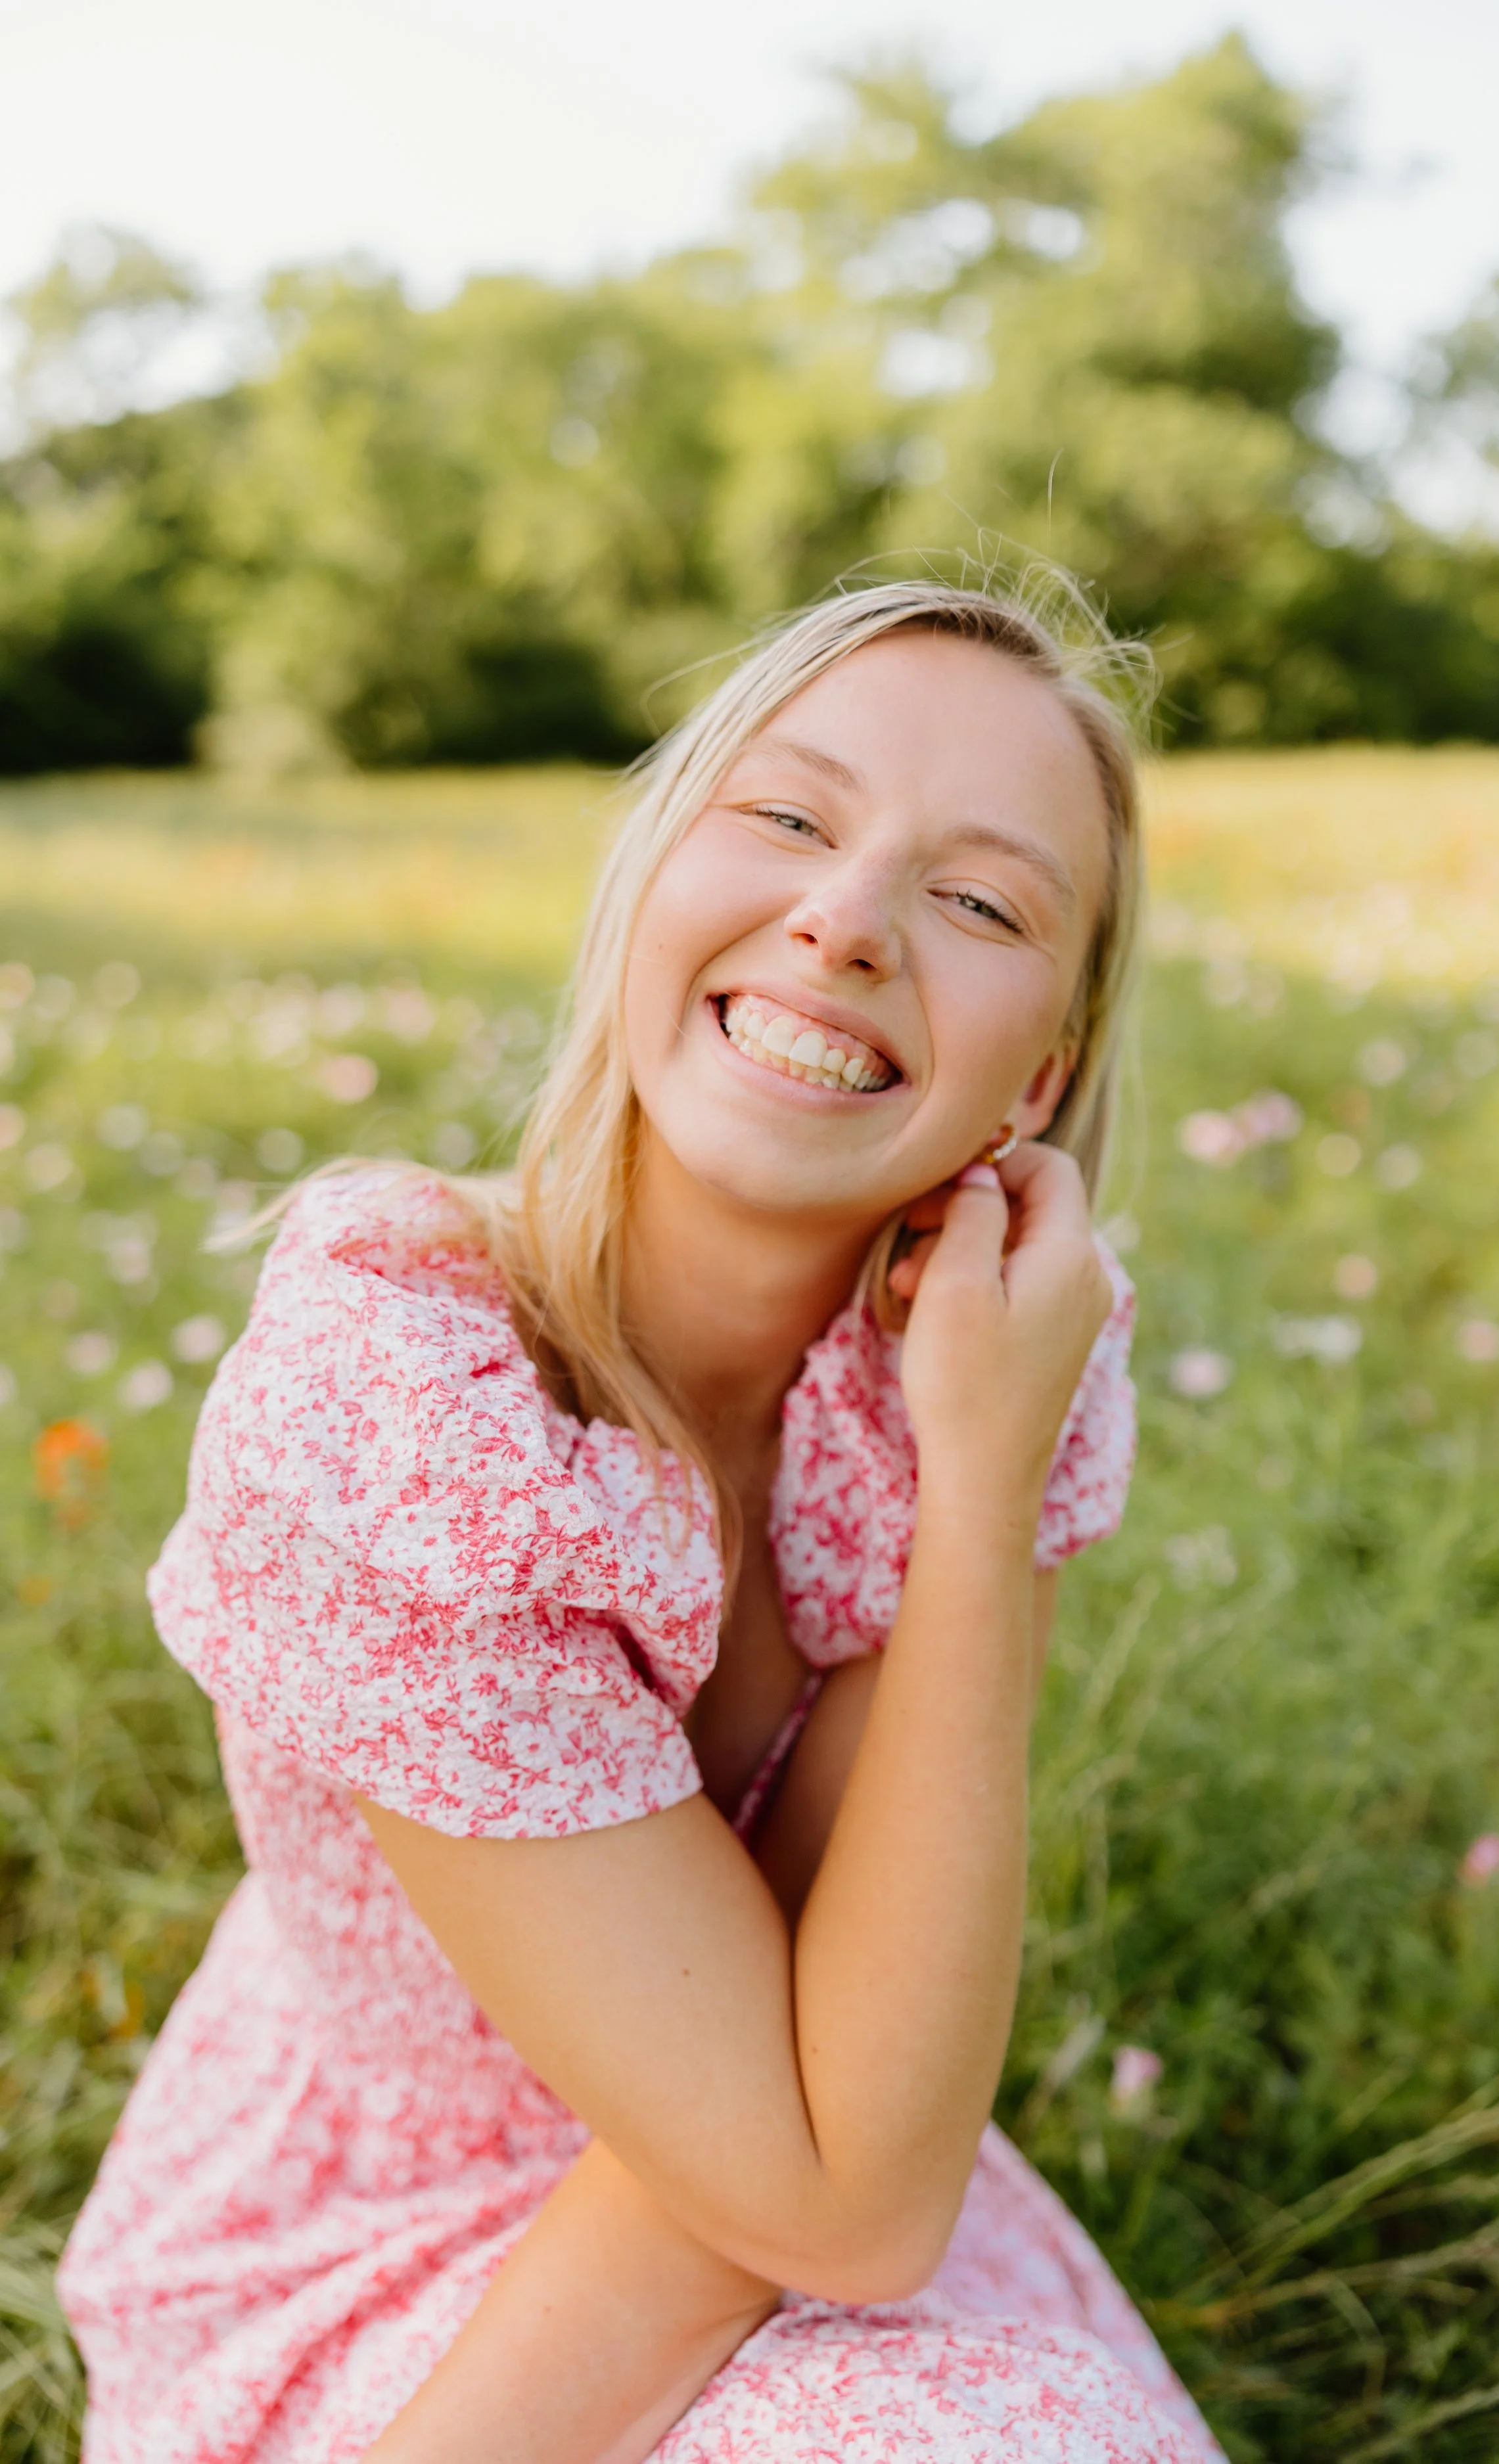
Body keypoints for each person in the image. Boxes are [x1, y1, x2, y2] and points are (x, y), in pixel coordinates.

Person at [60, 578, 1226, 2464]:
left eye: (980, 898)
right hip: (399, 2216)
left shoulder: (974, 1372)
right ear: (649, 872)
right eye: (786, 815)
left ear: (1042, 1075)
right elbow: (844, 2197)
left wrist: (978, 1477)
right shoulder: (410, 1401)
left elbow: (840, 2087)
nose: (844, 919)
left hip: (805, 2109)